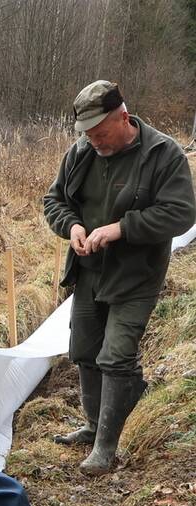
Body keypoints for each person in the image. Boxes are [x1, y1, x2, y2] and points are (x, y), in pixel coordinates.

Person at [43, 80, 195, 474]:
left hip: (136, 275)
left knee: (117, 354)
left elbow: (181, 213)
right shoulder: (80, 152)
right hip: (89, 272)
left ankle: (106, 448)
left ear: (123, 117)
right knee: (85, 350)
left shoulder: (163, 154)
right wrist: (72, 226)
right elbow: (54, 200)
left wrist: (121, 229)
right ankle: (94, 426)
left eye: (100, 132)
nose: (93, 141)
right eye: (87, 134)